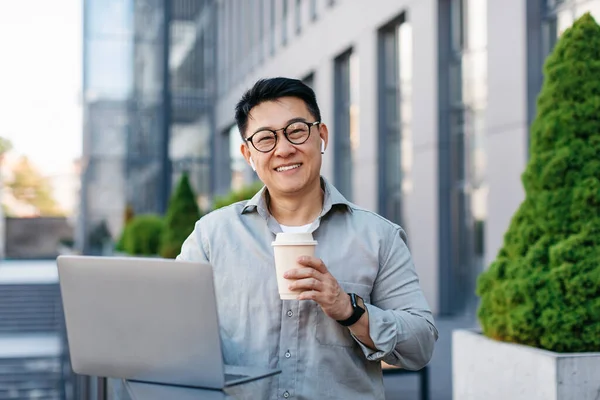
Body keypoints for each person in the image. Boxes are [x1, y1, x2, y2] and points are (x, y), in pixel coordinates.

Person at [178, 77, 438, 399]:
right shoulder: (211, 236)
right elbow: (175, 334)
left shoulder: (378, 236)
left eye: (296, 131)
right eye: (265, 139)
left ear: (321, 136)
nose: (284, 149)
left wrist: (350, 310)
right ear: (248, 154)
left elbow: (421, 344)